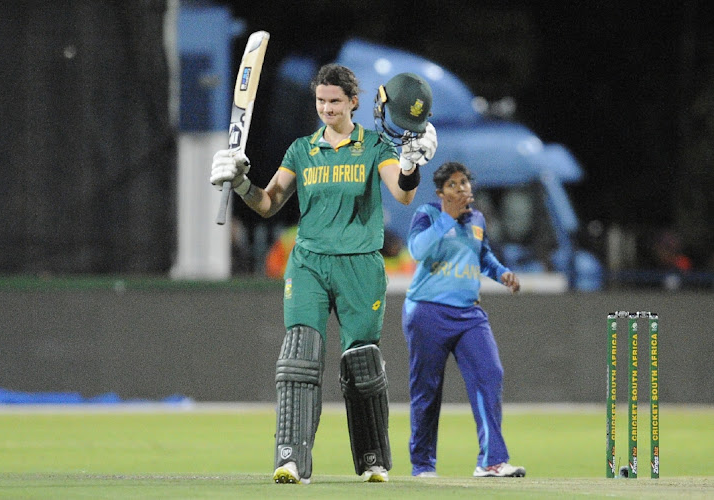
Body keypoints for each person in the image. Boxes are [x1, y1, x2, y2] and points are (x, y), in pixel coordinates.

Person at [210, 64, 438, 484]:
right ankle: (291, 460)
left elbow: (403, 194)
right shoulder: (302, 149)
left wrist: (410, 164)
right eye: (321, 101)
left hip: (360, 265)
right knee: (299, 356)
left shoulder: (374, 147)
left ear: (353, 101)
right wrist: (241, 181)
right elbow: (267, 203)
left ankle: (372, 460)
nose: (327, 108)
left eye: (335, 101)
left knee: (362, 364)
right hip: (310, 262)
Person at [401, 161, 526, 478]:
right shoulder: (428, 214)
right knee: (427, 392)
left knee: (490, 373)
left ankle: (491, 460)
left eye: (465, 183)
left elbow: (482, 256)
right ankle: (423, 465)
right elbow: (417, 249)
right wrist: (447, 219)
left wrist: (502, 274)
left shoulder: (478, 219)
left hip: (469, 313)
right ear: (441, 192)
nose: (462, 189)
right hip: (427, 310)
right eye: (453, 185)